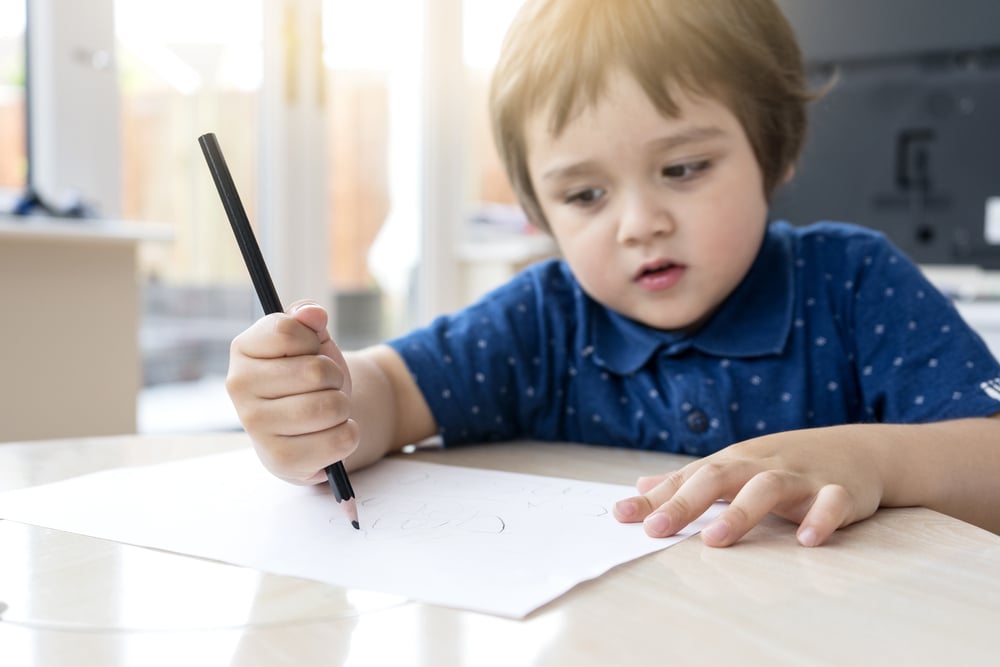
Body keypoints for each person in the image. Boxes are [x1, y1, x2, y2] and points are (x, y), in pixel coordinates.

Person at [226, 0, 1000, 547]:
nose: (638, 223)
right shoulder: (542, 320)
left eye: (683, 168)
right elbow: (391, 394)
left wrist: (873, 460)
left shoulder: (853, 282)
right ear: (540, 212)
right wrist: (318, 404)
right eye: (585, 195)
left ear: (776, 149)